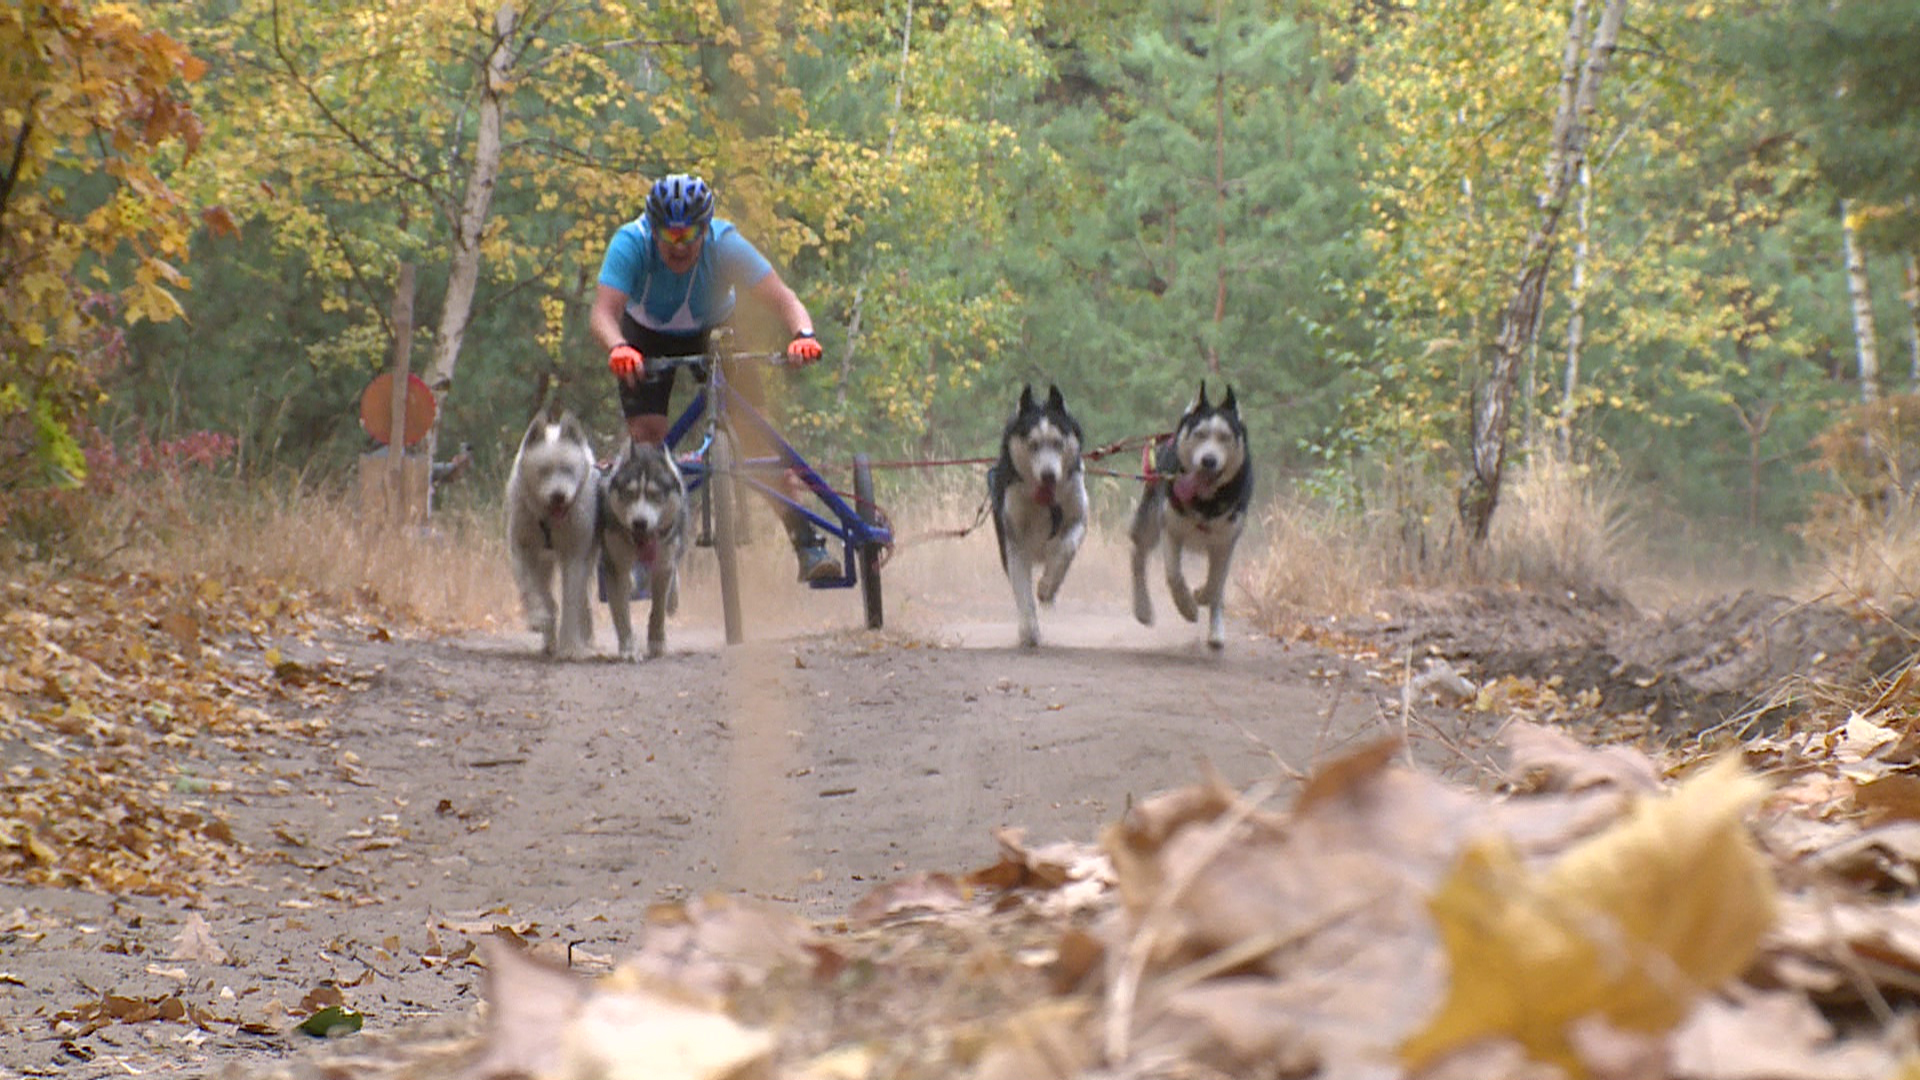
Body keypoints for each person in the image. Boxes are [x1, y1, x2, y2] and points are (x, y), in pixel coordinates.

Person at [590, 173, 836, 584]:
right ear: (653, 229)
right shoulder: (629, 244)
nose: (679, 245)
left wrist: (804, 336)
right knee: (648, 438)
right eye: (669, 234)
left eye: (690, 234)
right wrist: (618, 348)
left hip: (717, 327)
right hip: (644, 336)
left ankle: (807, 543)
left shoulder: (726, 244)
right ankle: (638, 556)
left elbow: (783, 299)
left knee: (758, 434)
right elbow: (602, 313)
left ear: (706, 228)